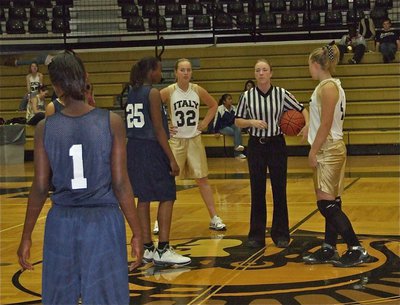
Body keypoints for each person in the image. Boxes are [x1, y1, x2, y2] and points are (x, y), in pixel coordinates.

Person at [17, 51, 143, 305]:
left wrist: (26, 236)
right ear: (86, 78)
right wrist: (137, 232)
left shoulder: (45, 127)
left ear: (55, 86)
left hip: (61, 223)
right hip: (104, 222)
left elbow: (41, 187)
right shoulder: (112, 122)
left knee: (59, 299)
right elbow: (120, 184)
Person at [302, 42, 372, 267]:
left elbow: (325, 124)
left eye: (309, 66)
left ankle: (355, 247)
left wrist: (313, 151)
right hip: (331, 146)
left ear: (316, 64)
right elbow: (321, 121)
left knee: (326, 205)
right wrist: (307, 128)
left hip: (328, 148)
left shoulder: (328, 87)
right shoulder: (331, 85)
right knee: (333, 201)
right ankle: (329, 247)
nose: (308, 70)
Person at [235, 59, 309, 249]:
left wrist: (307, 125)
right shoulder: (247, 96)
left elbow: (302, 109)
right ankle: (256, 235)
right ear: (254, 74)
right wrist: (252, 122)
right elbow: (238, 121)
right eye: (258, 70)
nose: (261, 73)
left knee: (279, 189)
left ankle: (281, 234)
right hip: (256, 146)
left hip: (276, 144)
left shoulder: (282, 94)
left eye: (264, 70)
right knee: (257, 190)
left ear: (271, 73)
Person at [125, 56, 191, 266]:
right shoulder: (152, 93)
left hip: (134, 148)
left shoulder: (131, 92)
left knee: (143, 198)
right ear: (151, 71)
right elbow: (158, 128)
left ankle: (146, 248)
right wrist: (171, 158)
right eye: (159, 70)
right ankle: (163, 248)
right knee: (167, 195)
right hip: (151, 148)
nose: (161, 73)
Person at [160, 58, 226, 231]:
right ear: (175, 72)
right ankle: (160, 221)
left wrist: (204, 123)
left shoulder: (197, 89)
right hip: (176, 141)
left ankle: (214, 217)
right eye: (182, 70)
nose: (186, 73)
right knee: (169, 181)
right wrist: (165, 124)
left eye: (188, 69)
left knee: (202, 179)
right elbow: (153, 107)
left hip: (194, 140)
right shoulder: (169, 91)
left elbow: (213, 105)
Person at [213, 93, 246, 159]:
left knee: (238, 129)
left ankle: (237, 151)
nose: (231, 100)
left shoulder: (234, 108)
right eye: (229, 99)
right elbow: (216, 121)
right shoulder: (220, 109)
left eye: (231, 99)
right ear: (224, 101)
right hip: (222, 127)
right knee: (236, 132)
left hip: (231, 125)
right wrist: (215, 131)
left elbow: (238, 119)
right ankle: (237, 153)